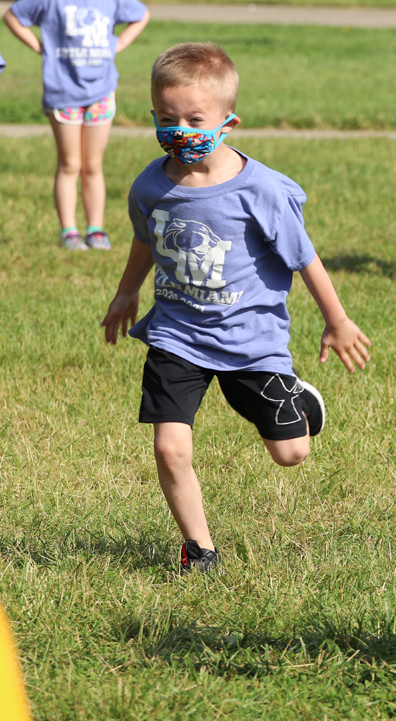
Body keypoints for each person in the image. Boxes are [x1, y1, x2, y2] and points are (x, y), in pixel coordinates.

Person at [101, 43, 371, 575]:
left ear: (228, 121)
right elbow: (145, 240)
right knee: (169, 448)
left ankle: (299, 398)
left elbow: (305, 259)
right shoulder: (150, 186)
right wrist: (128, 291)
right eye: (166, 118)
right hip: (177, 335)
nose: (180, 131)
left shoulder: (261, 189)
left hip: (250, 340)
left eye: (194, 119)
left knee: (290, 453)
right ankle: (200, 550)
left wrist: (337, 321)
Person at [3, 0, 150, 251]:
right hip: (63, 93)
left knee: (93, 165)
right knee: (70, 163)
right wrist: (38, 45)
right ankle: (69, 230)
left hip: (100, 92)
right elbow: (13, 15)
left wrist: (120, 44)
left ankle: (96, 229)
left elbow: (141, 15)